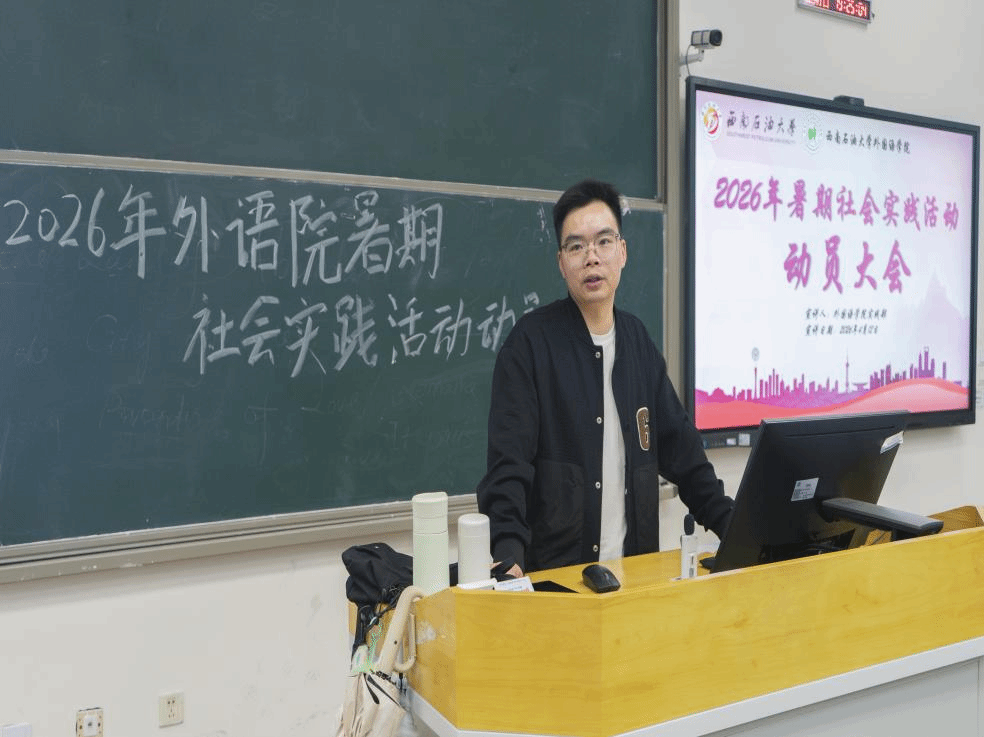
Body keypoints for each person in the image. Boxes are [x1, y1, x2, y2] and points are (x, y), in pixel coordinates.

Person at [476, 178, 733, 575]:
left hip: (634, 579)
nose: (591, 257)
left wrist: (736, 528)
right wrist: (508, 557)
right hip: (558, 583)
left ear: (622, 251)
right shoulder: (530, 345)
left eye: (603, 242)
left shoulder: (638, 343)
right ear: (561, 263)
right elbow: (508, 469)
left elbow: (684, 455)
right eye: (576, 246)